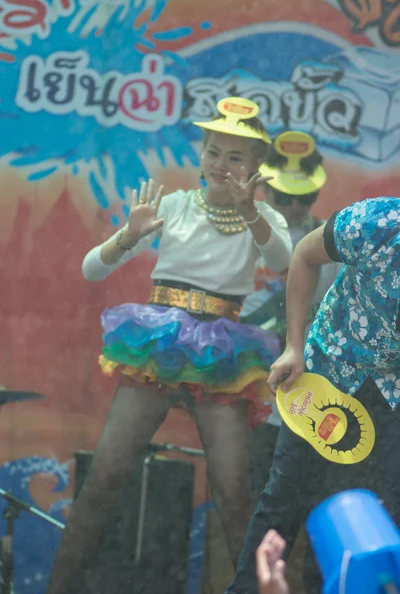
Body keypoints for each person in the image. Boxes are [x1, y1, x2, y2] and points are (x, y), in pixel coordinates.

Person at [45, 97, 292, 594]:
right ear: (201, 153)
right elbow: (92, 268)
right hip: (158, 347)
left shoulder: (263, 216)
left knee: (233, 491)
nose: (222, 165)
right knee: (107, 475)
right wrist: (128, 236)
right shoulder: (173, 205)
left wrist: (251, 214)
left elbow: (283, 259)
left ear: (257, 166)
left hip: (223, 354)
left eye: (236, 157)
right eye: (214, 152)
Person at [226, 196, 400, 594]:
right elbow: (304, 255)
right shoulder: (377, 221)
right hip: (329, 368)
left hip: (393, 390)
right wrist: (294, 345)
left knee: (382, 514)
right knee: (282, 501)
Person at [240, 131, 340, 496]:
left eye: (303, 196)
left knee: (305, 485)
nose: (294, 206)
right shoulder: (245, 229)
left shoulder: (331, 237)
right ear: (265, 187)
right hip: (244, 369)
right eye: (284, 196)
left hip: (303, 376)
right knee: (246, 482)